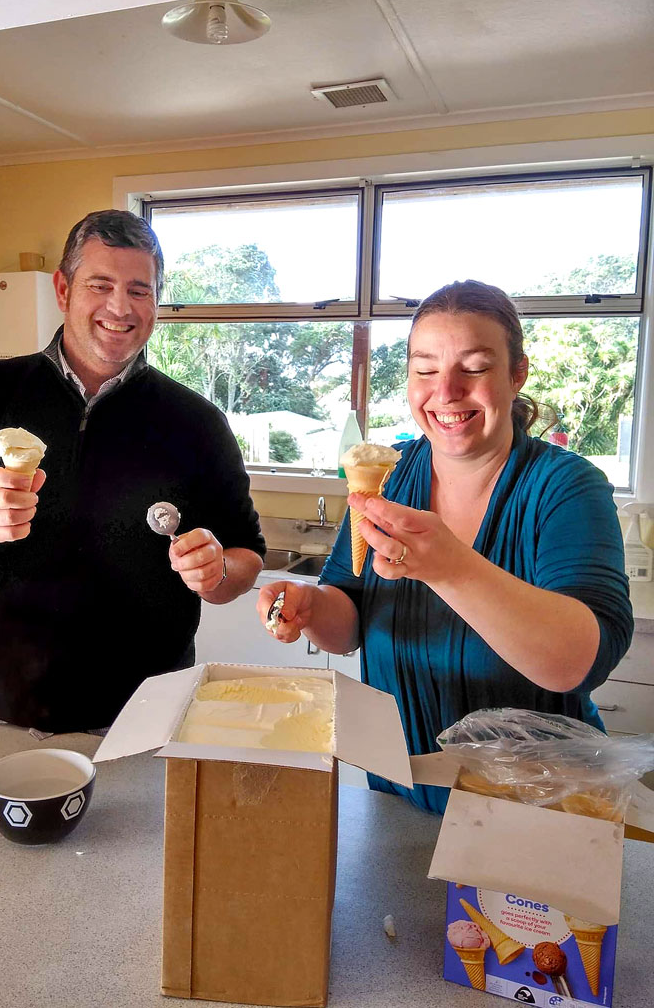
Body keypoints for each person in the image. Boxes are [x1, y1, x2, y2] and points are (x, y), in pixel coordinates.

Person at [257, 280, 633, 813]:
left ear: (516, 374)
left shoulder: (566, 487)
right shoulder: (389, 473)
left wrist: (450, 568)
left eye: (474, 368)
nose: (446, 391)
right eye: (425, 369)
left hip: (532, 806)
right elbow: (350, 620)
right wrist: (311, 606)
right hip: (400, 789)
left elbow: (579, 662)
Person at [0, 210, 265, 734]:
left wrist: (217, 572)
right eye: (101, 284)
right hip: (6, 716)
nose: (121, 307)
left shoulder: (196, 422)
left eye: (140, 291)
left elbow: (247, 555)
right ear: (63, 288)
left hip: (150, 723)